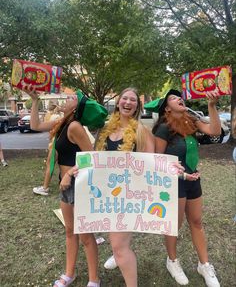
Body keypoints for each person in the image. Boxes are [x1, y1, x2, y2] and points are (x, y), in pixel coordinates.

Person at [23, 85, 108, 287]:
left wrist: (69, 173)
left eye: (71, 98)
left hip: (79, 184)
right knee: (70, 232)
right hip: (67, 184)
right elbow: (34, 125)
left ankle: (94, 280)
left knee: (86, 236)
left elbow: (92, 158)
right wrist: (35, 101)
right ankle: (69, 274)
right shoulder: (62, 123)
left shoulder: (75, 127)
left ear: (75, 108)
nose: (66, 98)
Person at [150, 89, 221, 287]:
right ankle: (172, 261)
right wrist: (180, 175)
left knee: (197, 221)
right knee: (175, 224)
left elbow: (215, 131)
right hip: (174, 182)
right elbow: (158, 161)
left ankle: (204, 265)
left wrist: (212, 106)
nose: (179, 98)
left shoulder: (190, 122)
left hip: (193, 179)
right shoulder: (163, 128)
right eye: (173, 98)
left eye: (179, 96)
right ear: (166, 108)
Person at [95, 87, 155, 287]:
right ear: (118, 102)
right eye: (125, 99)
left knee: (120, 246)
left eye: (133, 100)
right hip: (108, 194)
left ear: (137, 106)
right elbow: (95, 160)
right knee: (117, 243)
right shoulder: (105, 130)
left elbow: (152, 164)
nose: (128, 103)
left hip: (129, 195)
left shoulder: (141, 131)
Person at [33, 103, 61, 196]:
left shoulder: (54, 117)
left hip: (56, 142)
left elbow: (51, 130)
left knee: (50, 163)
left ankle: (45, 187)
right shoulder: (60, 116)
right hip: (58, 142)